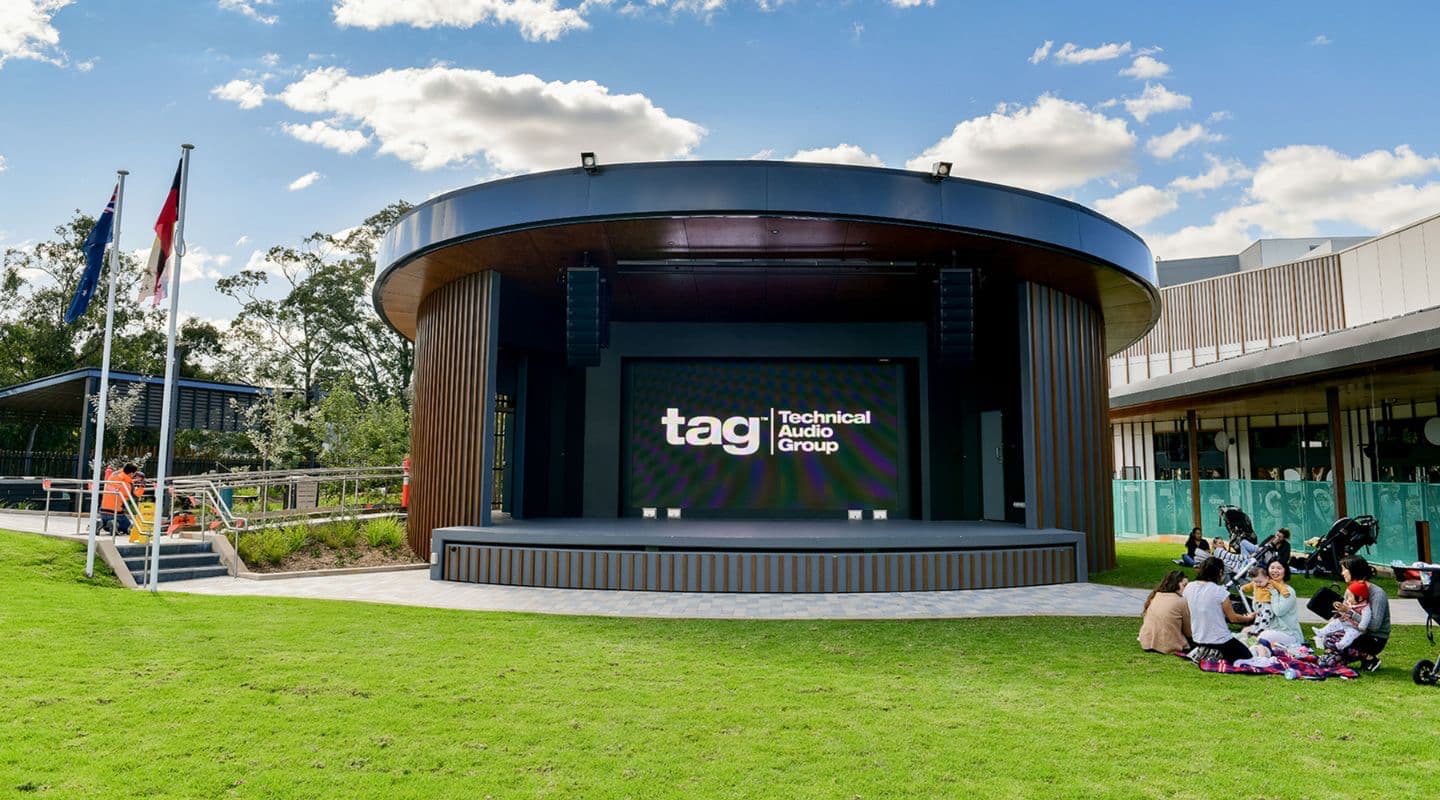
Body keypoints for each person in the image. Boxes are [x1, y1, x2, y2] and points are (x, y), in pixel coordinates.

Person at [1183, 556, 1256, 663]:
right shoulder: (1219, 592)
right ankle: (1214, 654)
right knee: (1248, 656)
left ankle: (1205, 651)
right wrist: (1248, 618)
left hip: (1197, 637)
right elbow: (1233, 618)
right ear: (1220, 572)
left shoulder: (1189, 587)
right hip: (1219, 640)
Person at [1333, 556, 1390, 671]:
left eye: (1344, 569)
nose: (1342, 573)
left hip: (1373, 639)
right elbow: (1345, 617)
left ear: (1354, 571)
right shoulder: (1350, 590)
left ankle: (1369, 658)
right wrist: (1338, 613)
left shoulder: (1378, 594)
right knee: (1330, 640)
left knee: (1344, 642)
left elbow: (1374, 626)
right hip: (1353, 631)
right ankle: (1343, 657)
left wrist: (1349, 613)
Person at [1139, 570, 1192, 654]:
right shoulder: (1180, 601)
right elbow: (1188, 631)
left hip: (1147, 643)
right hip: (1168, 646)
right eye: (1184, 585)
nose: (1186, 589)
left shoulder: (1156, 596)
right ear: (1176, 584)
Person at [1255, 560, 1303, 648]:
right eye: (1272, 568)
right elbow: (1257, 609)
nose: (1275, 571)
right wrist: (1257, 591)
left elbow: (1278, 611)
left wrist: (1274, 593)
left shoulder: (1288, 591)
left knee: (1263, 636)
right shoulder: (1266, 588)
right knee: (1247, 631)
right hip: (1270, 629)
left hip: (1288, 634)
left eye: (1279, 568)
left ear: (1285, 571)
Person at [1314, 581, 1371, 653]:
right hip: (1345, 622)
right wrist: (1338, 608)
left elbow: (1365, 620)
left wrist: (1362, 626)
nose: (1348, 599)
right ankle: (1321, 632)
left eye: (1350, 596)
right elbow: (1343, 609)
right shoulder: (1350, 602)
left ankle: (1341, 644)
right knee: (1334, 623)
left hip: (1354, 627)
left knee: (1350, 635)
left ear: (1359, 598)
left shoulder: (1365, 608)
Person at [98, 463, 143, 542]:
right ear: (131, 473)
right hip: (116, 512)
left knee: (107, 522)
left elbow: (123, 478)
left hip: (103, 510)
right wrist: (142, 486)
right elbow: (136, 495)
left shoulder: (114, 475)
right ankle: (114, 524)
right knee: (128, 528)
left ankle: (102, 522)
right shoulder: (127, 485)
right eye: (134, 474)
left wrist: (133, 480)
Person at [1238, 566, 1275, 635]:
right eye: (1255, 581)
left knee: (1265, 618)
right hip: (1259, 606)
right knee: (1258, 618)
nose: (1258, 584)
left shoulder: (1270, 584)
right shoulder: (1254, 584)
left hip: (1267, 605)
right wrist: (1242, 588)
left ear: (1267, 578)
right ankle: (1255, 629)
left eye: (1260, 582)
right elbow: (1247, 587)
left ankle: (1262, 629)